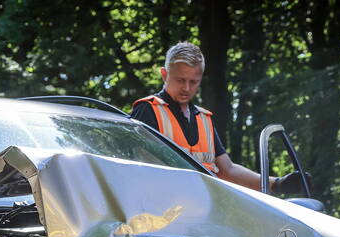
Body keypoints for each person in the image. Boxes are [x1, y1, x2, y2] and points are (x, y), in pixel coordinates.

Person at [131, 42, 305, 195]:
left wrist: (276, 184)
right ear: (164, 74)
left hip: (203, 214)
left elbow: (227, 171)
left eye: (194, 82)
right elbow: (134, 170)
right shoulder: (148, 110)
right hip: (161, 215)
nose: (186, 88)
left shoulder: (203, 119)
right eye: (180, 80)